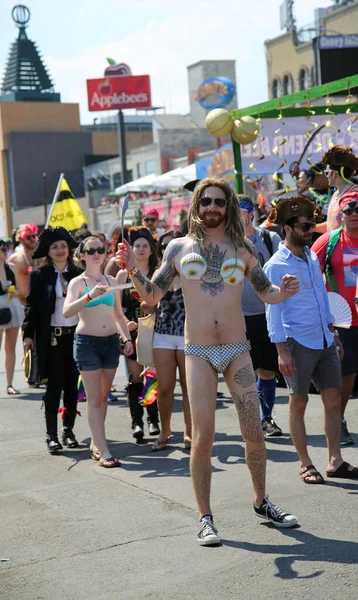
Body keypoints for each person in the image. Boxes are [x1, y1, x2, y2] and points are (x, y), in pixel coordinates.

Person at [119, 176, 300, 546]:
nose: (212, 208)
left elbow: (266, 293)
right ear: (196, 207)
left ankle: (261, 501)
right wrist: (133, 270)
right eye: (206, 202)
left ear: (228, 206)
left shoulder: (243, 247)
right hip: (198, 352)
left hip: (237, 349)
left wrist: (286, 291)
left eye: (219, 202)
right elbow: (152, 295)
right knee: (203, 438)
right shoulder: (178, 248)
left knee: (254, 432)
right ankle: (205, 518)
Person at [264, 196, 358, 483]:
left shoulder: (311, 256)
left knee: (332, 399)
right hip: (296, 342)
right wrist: (282, 351)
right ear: (288, 227)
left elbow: (321, 297)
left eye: (312, 225)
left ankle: (335, 461)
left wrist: (333, 333)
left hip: (325, 339)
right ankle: (305, 463)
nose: (310, 231)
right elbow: (273, 310)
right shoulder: (275, 265)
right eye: (305, 226)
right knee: (299, 402)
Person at [63, 236, 133, 467]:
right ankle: (103, 450)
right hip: (87, 343)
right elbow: (67, 312)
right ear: (81, 255)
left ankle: (96, 442)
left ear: (104, 253)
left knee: (103, 398)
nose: (96, 253)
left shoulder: (111, 279)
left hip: (110, 343)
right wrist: (89, 296)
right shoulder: (78, 282)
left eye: (100, 250)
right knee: (94, 399)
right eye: (90, 250)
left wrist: (127, 338)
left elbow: (118, 315)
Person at [23, 228, 82, 453]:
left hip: (76, 338)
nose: (60, 250)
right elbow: (31, 305)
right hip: (51, 338)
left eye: (63, 246)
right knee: (53, 387)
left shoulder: (79, 274)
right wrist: (28, 335)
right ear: (48, 251)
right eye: (55, 246)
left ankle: (68, 431)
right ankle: (52, 435)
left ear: (69, 250)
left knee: (71, 386)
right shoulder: (40, 275)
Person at [312, 192, 358, 446]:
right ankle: (337, 422)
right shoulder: (329, 241)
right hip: (343, 321)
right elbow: (308, 273)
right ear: (341, 215)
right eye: (349, 210)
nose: (354, 214)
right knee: (346, 377)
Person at [238, 196, 282, 436]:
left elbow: (281, 269)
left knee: (267, 370)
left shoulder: (269, 238)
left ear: (251, 213)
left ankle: (266, 419)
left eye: (244, 210)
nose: (240, 215)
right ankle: (251, 420)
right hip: (239, 317)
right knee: (245, 372)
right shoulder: (227, 242)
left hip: (267, 314)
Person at [116, 227, 160, 440]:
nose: (141, 250)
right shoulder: (122, 274)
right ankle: (137, 422)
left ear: (152, 250)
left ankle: (153, 420)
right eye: (137, 246)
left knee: (151, 375)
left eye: (145, 246)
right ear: (131, 251)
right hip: (131, 331)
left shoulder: (158, 273)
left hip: (156, 329)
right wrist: (125, 324)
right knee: (135, 378)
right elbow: (115, 309)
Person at [152, 230, 192, 451]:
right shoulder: (159, 274)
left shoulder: (192, 271)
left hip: (187, 335)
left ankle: (190, 432)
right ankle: (165, 430)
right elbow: (147, 304)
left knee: (188, 388)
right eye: (166, 247)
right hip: (163, 334)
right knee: (165, 387)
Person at [0, 239, 24, 395]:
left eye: (5, 247)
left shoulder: (12, 267)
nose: (4, 250)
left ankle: (9, 384)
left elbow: (21, 291)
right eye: (1, 248)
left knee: (10, 348)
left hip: (12, 307)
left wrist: (13, 291)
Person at [322, 145, 358, 233]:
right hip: (335, 245)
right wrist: (311, 226)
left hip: (348, 246)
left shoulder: (354, 193)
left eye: (327, 173)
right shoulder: (336, 193)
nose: (326, 176)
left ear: (334, 174)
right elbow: (332, 224)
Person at [8, 223, 41, 305]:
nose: (33, 239)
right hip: (23, 305)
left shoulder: (42, 256)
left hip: (43, 302)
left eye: (34, 236)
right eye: (28, 237)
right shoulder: (14, 260)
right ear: (20, 240)